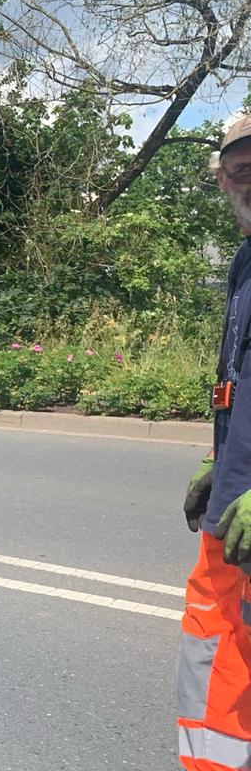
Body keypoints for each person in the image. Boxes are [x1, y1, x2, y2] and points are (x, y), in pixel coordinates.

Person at [179, 113, 251, 770]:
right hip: (230, 505)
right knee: (211, 640)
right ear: (223, 178)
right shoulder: (244, 260)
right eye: (240, 166)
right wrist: (216, 453)